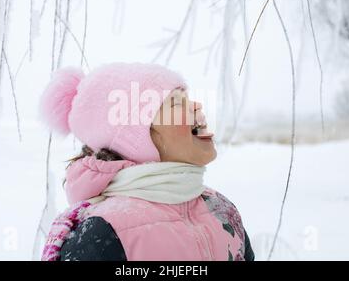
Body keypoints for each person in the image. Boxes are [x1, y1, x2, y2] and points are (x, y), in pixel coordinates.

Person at [39, 62, 254, 261]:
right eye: (176, 103)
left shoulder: (220, 208)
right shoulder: (105, 232)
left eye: (187, 98)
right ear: (135, 140)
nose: (196, 106)